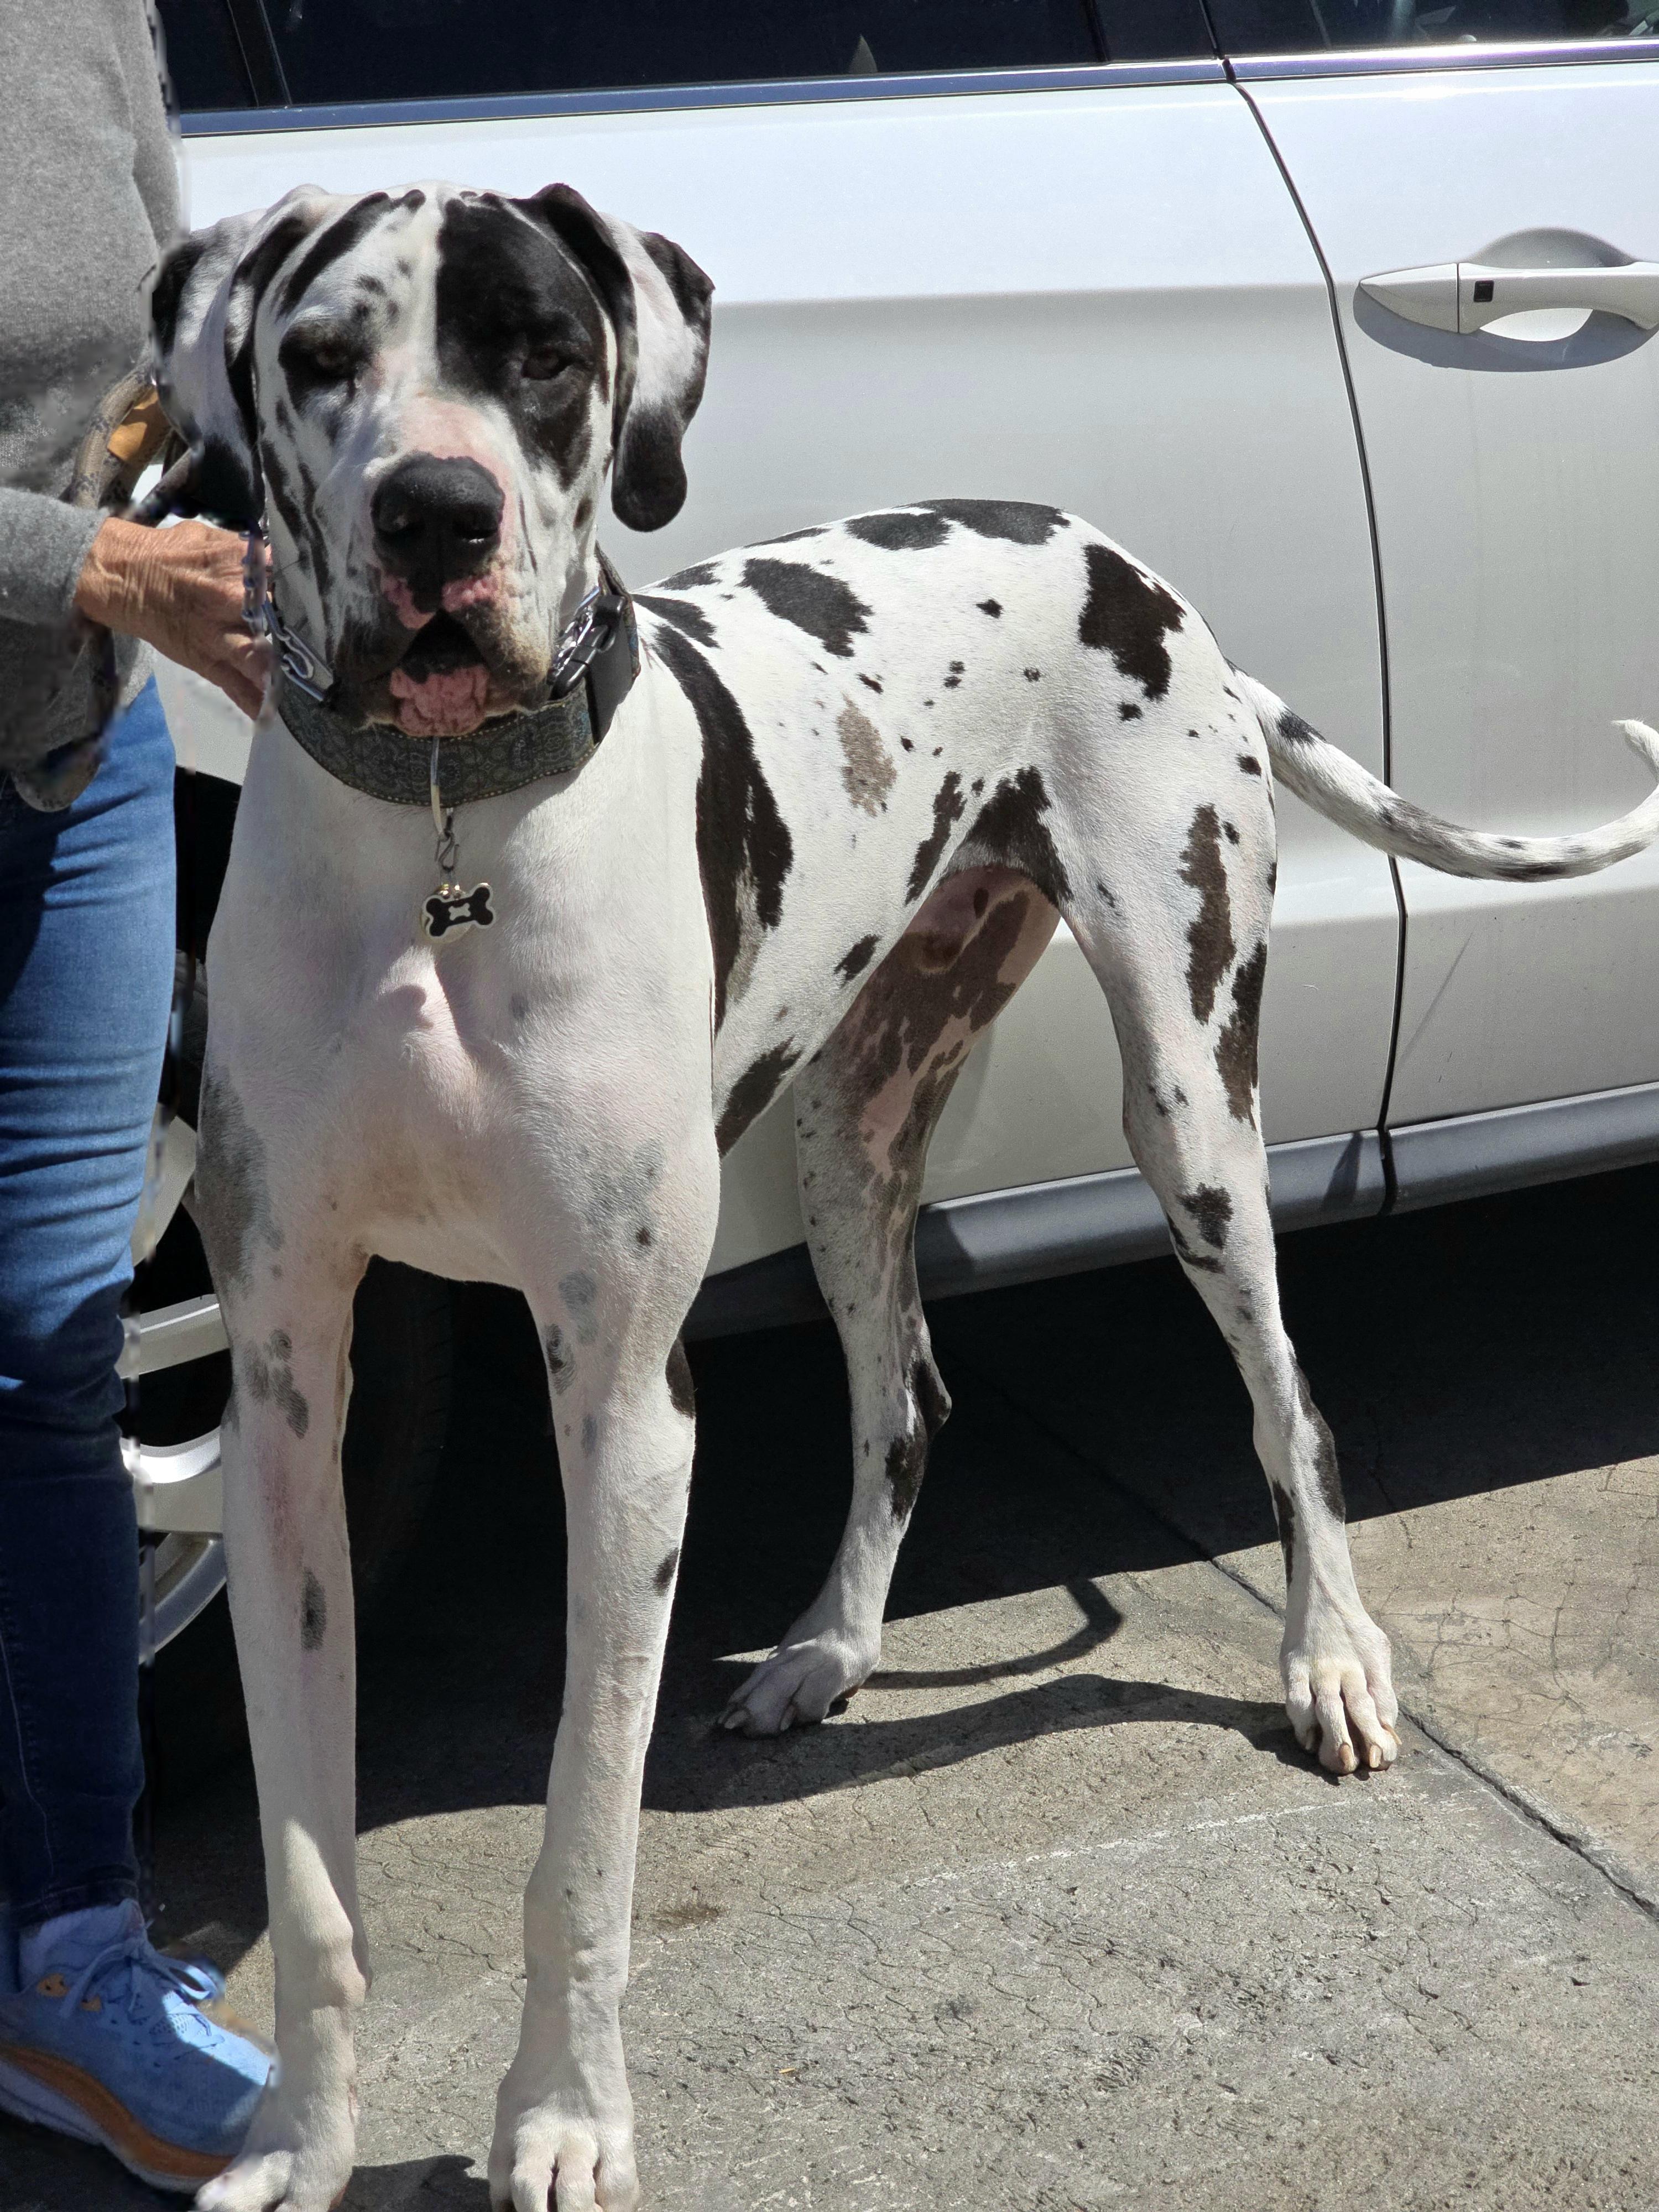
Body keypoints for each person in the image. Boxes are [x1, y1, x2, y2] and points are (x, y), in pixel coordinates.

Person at [0, 1, 275, 2190]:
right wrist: (89, 566)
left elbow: (140, 370)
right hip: (68, 640)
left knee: (54, 1353)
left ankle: (67, 1955)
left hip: (68, 762)